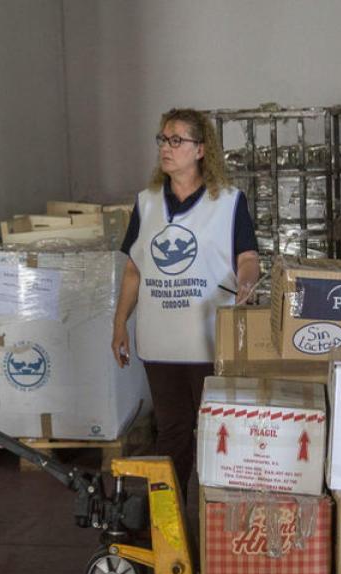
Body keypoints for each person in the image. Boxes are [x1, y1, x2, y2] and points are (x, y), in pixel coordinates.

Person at [111, 108, 259, 495]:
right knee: (172, 431)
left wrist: (247, 281)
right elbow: (133, 270)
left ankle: (216, 513)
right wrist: (119, 324)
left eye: (177, 140)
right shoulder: (147, 203)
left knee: (216, 430)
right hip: (160, 343)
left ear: (200, 149)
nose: (167, 147)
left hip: (208, 341)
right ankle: (170, 519)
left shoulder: (228, 202)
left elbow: (248, 257)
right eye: (162, 139)